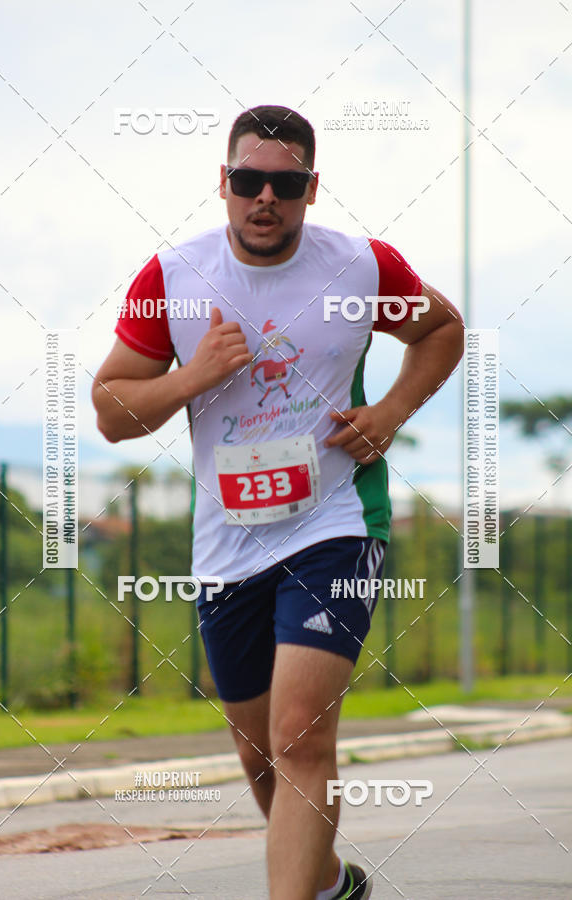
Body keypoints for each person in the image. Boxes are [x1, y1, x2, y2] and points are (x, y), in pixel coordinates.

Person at [92, 104, 464, 900]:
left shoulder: (364, 267)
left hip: (335, 523)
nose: (266, 197)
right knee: (262, 753)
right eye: (250, 180)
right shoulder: (174, 279)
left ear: (311, 189)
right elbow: (111, 412)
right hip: (228, 543)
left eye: (286, 183)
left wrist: (390, 414)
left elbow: (442, 328)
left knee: (300, 732)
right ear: (223, 184)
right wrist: (193, 377)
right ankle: (328, 882)